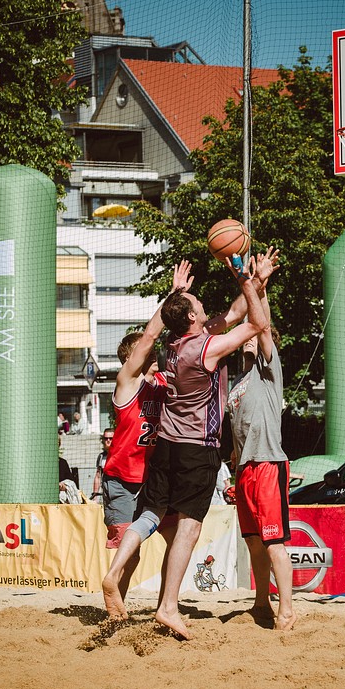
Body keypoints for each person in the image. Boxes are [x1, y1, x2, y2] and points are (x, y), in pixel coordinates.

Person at [106, 250, 276, 639]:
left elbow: (233, 314)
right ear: (191, 318)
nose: (203, 305)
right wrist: (244, 280)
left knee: (148, 514)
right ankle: (167, 606)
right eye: (197, 304)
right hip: (196, 447)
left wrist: (254, 281)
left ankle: (114, 572)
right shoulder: (207, 348)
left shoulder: (169, 345)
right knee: (188, 529)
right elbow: (256, 322)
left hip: (164, 445)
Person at [100, 260, 191, 619]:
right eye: (146, 351)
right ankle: (114, 607)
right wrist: (174, 296)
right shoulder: (127, 382)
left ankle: (165, 606)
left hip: (153, 479)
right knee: (130, 549)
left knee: (176, 538)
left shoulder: (160, 383)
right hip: (122, 479)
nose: (152, 352)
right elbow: (152, 334)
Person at [227, 290, 295, 632]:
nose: (248, 339)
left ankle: (287, 609)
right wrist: (233, 469)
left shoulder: (268, 372)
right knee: (254, 542)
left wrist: (260, 289)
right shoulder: (236, 384)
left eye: (253, 334)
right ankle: (261, 601)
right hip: (245, 469)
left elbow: (263, 326)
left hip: (268, 464)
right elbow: (239, 432)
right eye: (245, 336)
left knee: (273, 543)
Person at [91, 428, 115, 504]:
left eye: (111, 438)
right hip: (105, 494)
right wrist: (95, 495)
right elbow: (98, 476)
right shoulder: (101, 456)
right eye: (106, 438)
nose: (108, 440)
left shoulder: (119, 455)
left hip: (118, 493)